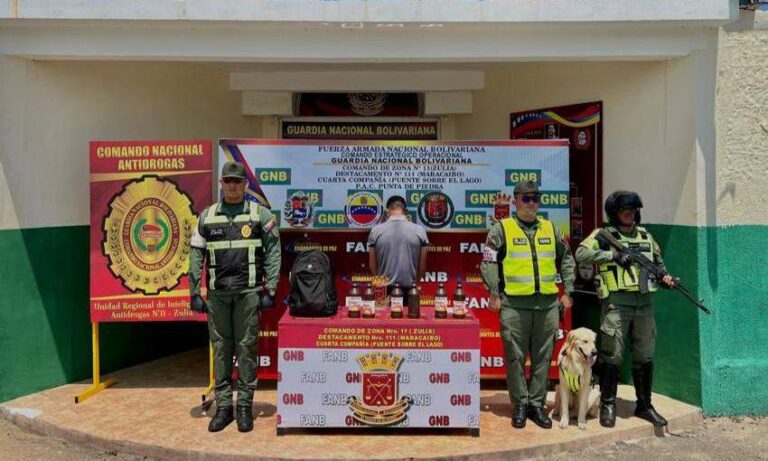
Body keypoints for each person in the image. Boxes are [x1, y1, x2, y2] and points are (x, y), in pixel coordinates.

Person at [188, 161, 281, 433]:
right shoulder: (206, 217)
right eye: (227, 180)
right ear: (221, 183)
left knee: (247, 349)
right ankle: (224, 408)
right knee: (221, 351)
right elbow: (196, 254)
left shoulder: (260, 215)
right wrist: (194, 291)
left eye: (237, 181)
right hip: (217, 296)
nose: (232, 185)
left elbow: (274, 250)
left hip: (248, 294)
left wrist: (271, 288)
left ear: (245, 185)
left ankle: (244, 409)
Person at [575, 190, 675, 428]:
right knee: (612, 353)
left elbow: (659, 266)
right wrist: (613, 256)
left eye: (633, 210)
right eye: (624, 210)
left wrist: (667, 279)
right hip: (616, 303)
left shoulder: (645, 236)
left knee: (645, 353)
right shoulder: (605, 235)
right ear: (614, 213)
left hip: (644, 303)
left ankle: (644, 404)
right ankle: (608, 404)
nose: (629, 214)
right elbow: (581, 253)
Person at [480, 180, 575, 429]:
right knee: (515, 358)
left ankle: (536, 405)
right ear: (515, 200)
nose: (531, 203)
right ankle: (520, 404)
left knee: (544, 358)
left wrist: (568, 291)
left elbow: (566, 258)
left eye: (535, 198)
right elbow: (488, 261)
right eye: (526, 198)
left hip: (547, 306)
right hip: (514, 306)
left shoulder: (550, 228)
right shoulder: (502, 229)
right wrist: (493, 292)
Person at [367, 195, 429, 304]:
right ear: (406, 211)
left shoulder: (375, 231)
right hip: (411, 290)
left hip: (384, 291)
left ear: (387, 212)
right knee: (411, 319)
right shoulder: (420, 231)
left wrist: (379, 286)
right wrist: (416, 283)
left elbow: (372, 267)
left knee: (384, 320)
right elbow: (422, 268)